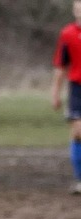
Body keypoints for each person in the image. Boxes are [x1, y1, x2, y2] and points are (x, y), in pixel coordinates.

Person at [51, 0, 81, 194]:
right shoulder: (68, 34)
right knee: (78, 133)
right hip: (77, 87)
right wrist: (55, 92)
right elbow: (61, 66)